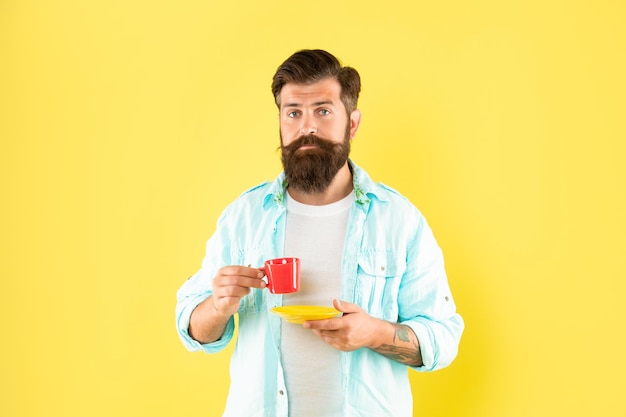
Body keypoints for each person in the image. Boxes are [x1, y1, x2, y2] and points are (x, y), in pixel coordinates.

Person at [175, 49, 464, 417]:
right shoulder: (244, 217)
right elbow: (192, 327)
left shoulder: (399, 220)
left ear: (353, 123)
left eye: (323, 111)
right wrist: (217, 307)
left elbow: (444, 338)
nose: (306, 127)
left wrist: (374, 333)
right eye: (293, 112)